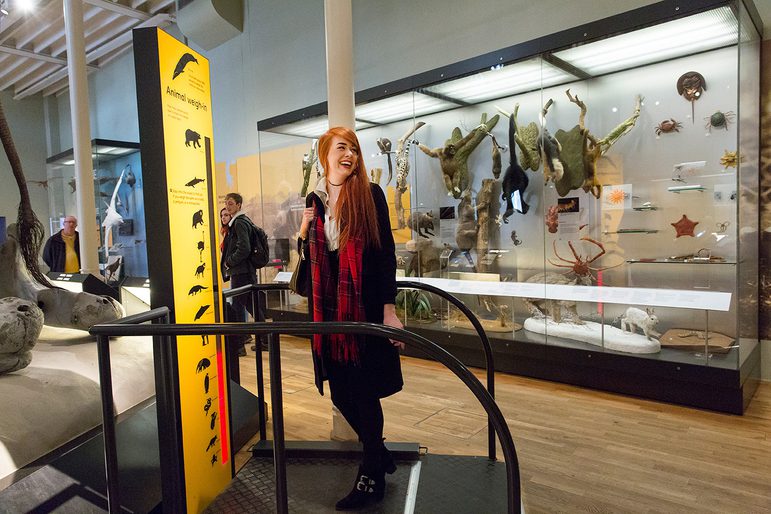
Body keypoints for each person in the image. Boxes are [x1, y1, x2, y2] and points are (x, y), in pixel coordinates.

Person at [298, 126, 404, 511]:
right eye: (342, 148)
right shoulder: (315, 200)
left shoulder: (369, 195)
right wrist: (304, 231)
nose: (351, 156)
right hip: (329, 317)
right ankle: (380, 453)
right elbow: (314, 263)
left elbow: (385, 254)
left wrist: (389, 311)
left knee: (363, 391)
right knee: (341, 393)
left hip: (362, 312)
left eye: (355, 150)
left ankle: (371, 473)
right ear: (325, 153)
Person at [220, 193, 266, 353]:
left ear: (239, 205)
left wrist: (229, 261)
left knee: (238, 307)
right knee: (251, 306)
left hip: (241, 272)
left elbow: (244, 248)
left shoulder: (239, 223)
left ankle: (239, 345)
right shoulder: (242, 221)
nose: (227, 206)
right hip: (245, 271)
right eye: (226, 203)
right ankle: (263, 340)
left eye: (231, 203)